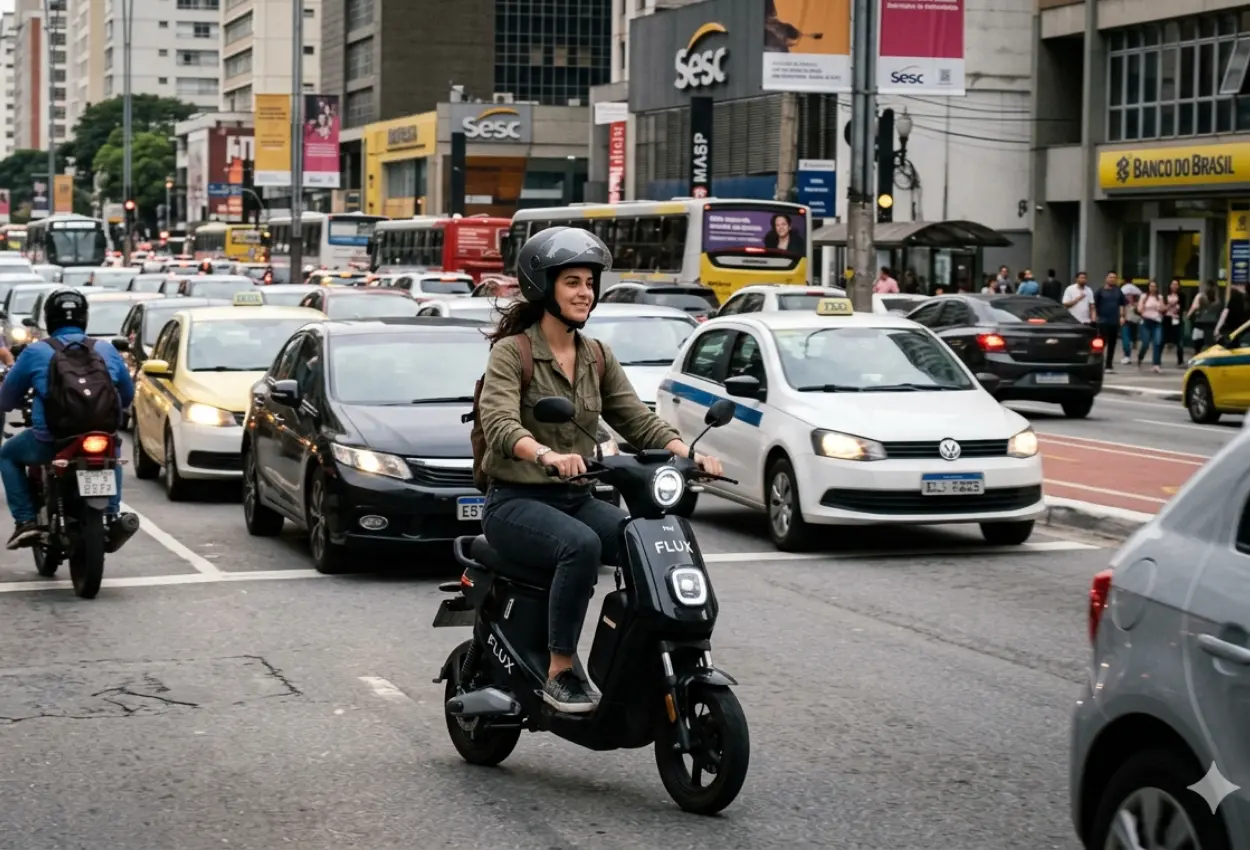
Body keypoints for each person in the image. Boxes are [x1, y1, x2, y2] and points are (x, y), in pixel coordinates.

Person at [476, 227, 724, 715]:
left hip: (575, 498)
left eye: (589, 282)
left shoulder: (596, 355)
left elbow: (634, 416)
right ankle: (560, 670)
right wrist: (546, 454)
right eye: (572, 281)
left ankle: (642, 657)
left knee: (644, 540)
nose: (584, 292)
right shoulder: (513, 353)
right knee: (581, 546)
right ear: (543, 286)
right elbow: (500, 421)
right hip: (514, 501)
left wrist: (686, 452)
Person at [0, 289, 136, 549]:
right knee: (112, 450)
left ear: (49, 319)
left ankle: (26, 520)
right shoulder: (106, 350)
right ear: (84, 318)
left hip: (50, 440)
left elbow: (6, 400)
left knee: (7, 455)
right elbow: (127, 396)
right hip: (101, 435)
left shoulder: (35, 352)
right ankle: (111, 514)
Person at [1092, 272, 1125, 370]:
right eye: (1111, 277)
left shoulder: (1118, 291)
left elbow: (1122, 304)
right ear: (1106, 278)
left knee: (1112, 343)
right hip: (1103, 321)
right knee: (1102, 343)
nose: (1112, 279)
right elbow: (1094, 305)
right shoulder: (1100, 291)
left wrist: (1122, 316)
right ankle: (1098, 363)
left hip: (1114, 321)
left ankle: (1109, 364)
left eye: (1114, 278)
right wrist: (1095, 317)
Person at [1135, 280, 1165, 372]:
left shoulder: (1159, 297)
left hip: (1157, 322)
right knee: (1146, 343)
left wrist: (1160, 303)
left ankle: (1156, 364)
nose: (1153, 288)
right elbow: (1139, 309)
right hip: (1146, 322)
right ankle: (1140, 358)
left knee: (1157, 342)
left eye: (1154, 286)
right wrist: (1143, 306)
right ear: (1148, 287)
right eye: (1151, 286)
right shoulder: (1144, 296)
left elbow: (1163, 309)